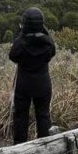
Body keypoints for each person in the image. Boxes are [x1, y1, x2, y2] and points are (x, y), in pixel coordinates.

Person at [8, 8, 56, 144]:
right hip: (43, 83)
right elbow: (52, 51)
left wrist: (22, 33)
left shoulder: (20, 43)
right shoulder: (48, 43)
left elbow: (12, 56)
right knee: (43, 116)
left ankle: (19, 147)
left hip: (23, 84)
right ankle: (45, 147)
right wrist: (42, 30)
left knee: (20, 117)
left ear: (25, 25)